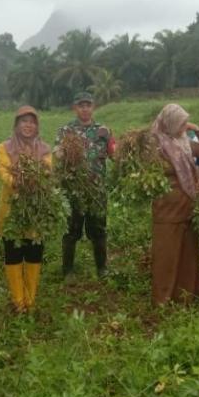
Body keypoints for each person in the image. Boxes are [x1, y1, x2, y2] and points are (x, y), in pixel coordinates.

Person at [149, 103, 199, 306]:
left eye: (185, 122)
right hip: (166, 208)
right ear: (169, 123)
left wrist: (198, 130)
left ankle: (186, 295)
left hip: (188, 206)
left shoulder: (184, 143)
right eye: (180, 123)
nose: (183, 127)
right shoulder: (155, 146)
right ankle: (163, 299)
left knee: (188, 251)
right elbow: (150, 173)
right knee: (166, 253)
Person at [0, 106, 53, 312]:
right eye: (23, 121)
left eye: (32, 122)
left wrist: (37, 179)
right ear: (16, 125)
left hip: (37, 210)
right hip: (12, 209)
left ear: (37, 126)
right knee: (13, 252)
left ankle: (30, 298)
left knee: (34, 251)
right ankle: (18, 300)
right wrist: (19, 182)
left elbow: (47, 171)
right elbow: (3, 171)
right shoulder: (5, 148)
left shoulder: (44, 149)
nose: (28, 126)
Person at [55, 92, 114, 279]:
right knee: (71, 231)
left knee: (98, 231)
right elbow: (57, 154)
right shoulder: (65, 131)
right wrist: (60, 153)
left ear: (93, 107)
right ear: (75, 108)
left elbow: (114, 152)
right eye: (81, 105)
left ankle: (102, 269)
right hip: (73, 191)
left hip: (97, 192)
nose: (85, 109)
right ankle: (68, 271)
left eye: (88, 105)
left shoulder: (103, 131)